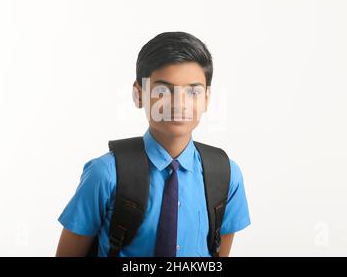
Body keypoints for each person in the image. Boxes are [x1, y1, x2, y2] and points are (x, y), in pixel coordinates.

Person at [56, 32, 251, 257]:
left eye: (193, 91)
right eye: (163, 90)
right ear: (138, 94)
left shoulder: (226, 175)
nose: (179, 103)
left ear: (206, 98)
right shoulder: (106, 174)